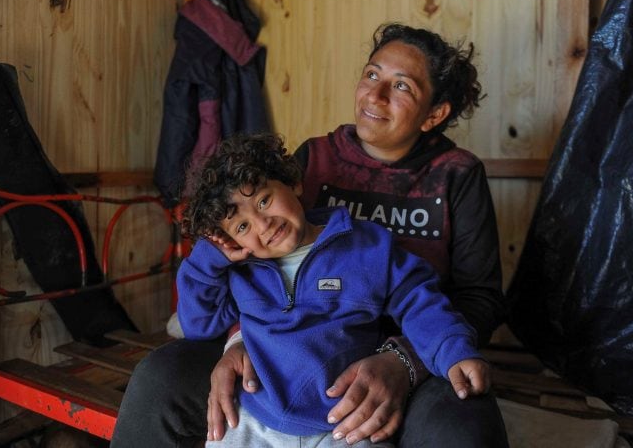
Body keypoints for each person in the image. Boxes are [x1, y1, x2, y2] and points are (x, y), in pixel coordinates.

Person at [110, 23, 508, 448]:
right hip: (281, 346)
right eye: (372, 75)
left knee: (466, 427)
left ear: (434, 113)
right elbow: (253, 268)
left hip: (416, 348)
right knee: (159, 377)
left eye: (402, 87)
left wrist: (403, 361)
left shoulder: (456, 175)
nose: (375, 96)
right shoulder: (315, 157)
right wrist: (238, 342)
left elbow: (478, 300)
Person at [177, 132, 489, 448]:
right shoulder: (241, 271)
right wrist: (207, 260)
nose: (262, 223)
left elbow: (419, 300)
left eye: (263, 200)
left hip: (345, 421)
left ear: (292, 183)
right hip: (254, 420)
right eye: (242, 227)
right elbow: (199, 325)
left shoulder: (368, 246)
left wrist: (453, 350)